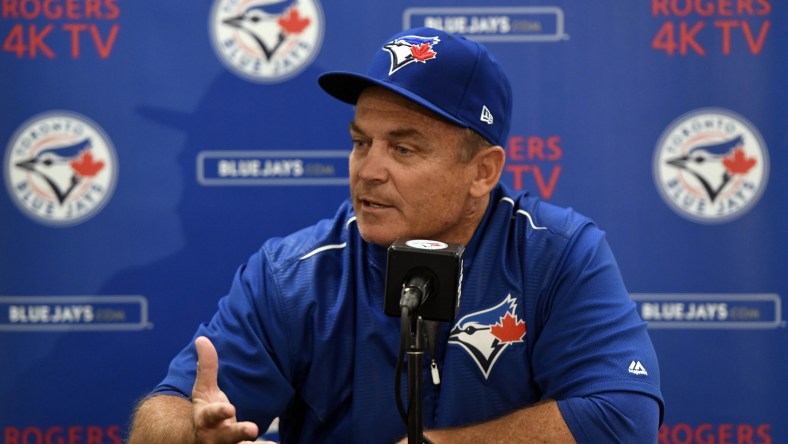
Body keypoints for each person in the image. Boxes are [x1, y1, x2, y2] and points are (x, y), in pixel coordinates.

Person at [128, 27, 664, 443]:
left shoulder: (557, 253)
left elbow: (623, 416)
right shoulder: (294, 275)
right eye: (362, 142)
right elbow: (164, 413)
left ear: (482, 171)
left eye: (404, 149)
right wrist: (189, 430)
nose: (368, 170)